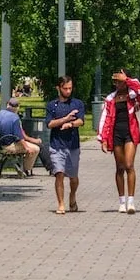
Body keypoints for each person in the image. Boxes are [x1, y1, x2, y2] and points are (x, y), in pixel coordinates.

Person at [97, 69, 140, 214]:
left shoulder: (134, 96)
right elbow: (105, 119)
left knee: (129, 165)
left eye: (120, 81)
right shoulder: (110, 99)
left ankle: (131, 202)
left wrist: (128, 80)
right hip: (116, 134)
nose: (117, 84)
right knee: (119, 167)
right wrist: (103, 139)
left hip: (130, 133)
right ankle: (122, 201)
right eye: (116, 81)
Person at [45, 76, 85, 215]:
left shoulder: (77, 103)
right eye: (65, 88)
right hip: (57, 145)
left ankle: (72, 195)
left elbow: (81, 121)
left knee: (73, 177)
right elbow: (50, 124)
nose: (68, 91)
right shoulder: (52, 105)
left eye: (70, 88)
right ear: (58, 88)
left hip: (73, 145)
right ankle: (61, 203)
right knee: (59, 174)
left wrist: (71, 124)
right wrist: (65, 119)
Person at [0, 97, 52, 176]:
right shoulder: (15, 118)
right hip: (9, 145)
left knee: (38, 145)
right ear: (18, 107)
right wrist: (27, 148)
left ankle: (50, 168)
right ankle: (26, 169)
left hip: (0, 143)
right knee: (36, 148)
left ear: (7, 105)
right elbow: (20, 137)